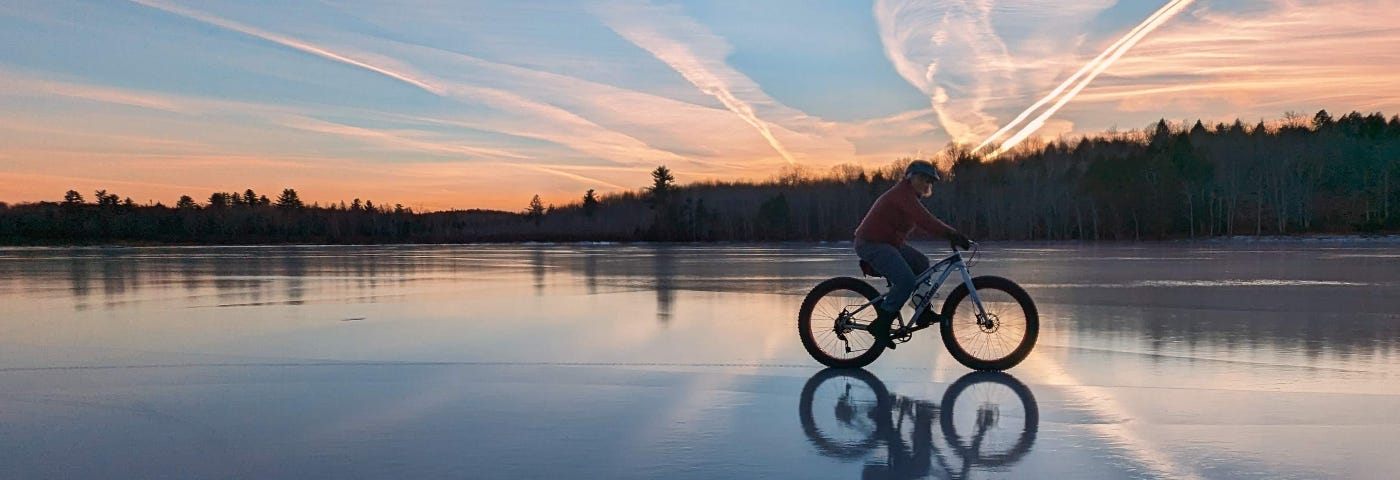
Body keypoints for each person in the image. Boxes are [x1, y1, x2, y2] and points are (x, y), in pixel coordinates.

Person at [854, 160, 971, 349]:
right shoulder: (903, 194)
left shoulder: (911, 197)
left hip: (889, 243)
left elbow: (923, 223)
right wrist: (952, 234)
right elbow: (925, 220)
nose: (927, 184)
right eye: (923, 179)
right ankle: (881, 325)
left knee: (922, 263)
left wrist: (947, 234)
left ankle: (923, 311)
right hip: (871, 243)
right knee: (906, 281)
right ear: (911, 177)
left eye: (930, 181)